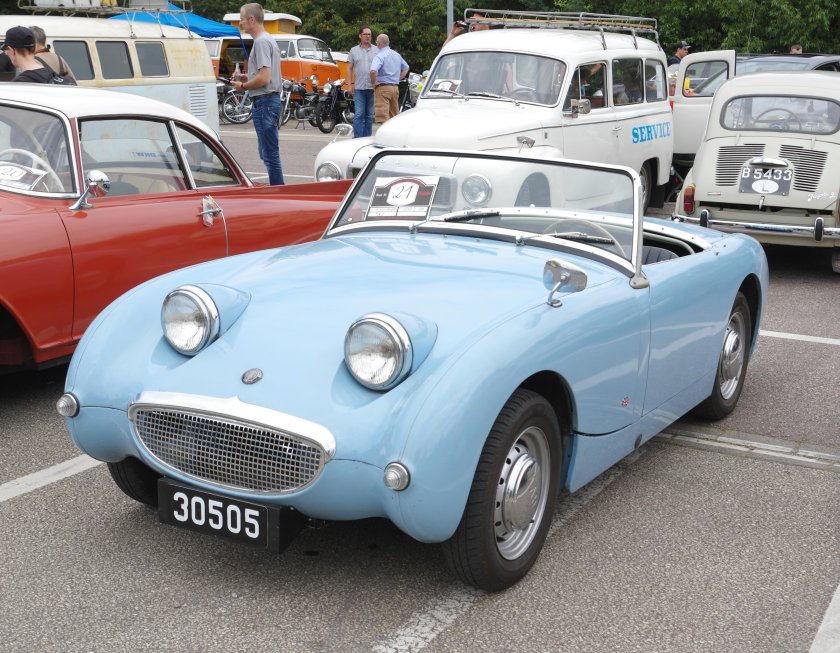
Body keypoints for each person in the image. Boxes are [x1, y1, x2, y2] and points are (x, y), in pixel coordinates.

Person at [231, 3, 284, 185]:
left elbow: (264, 78)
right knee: (267, 152)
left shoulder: (261, 42)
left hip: (265, 102)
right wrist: (247, 76)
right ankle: (279, 192)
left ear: (251, 20)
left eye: (242, 19)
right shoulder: (268, 39)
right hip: (270, 100)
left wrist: (243, 85)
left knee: (269, 155)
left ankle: (279, 194)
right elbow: (265, 74)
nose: (240, 22)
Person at [370, 34, 409, 125]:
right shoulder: (396, 55)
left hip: (382, 88)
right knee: (394, 115)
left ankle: (385, 137)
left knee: (383, 117)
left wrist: (373, 83)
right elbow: (406, 67)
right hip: (395, 88)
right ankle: (396, 136)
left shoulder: (380, 56)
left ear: (378, 44)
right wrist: (398, 79)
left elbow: (373, 71)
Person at [347, 25, 376, 137]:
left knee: (369, 116)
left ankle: (367, 138)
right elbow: (349, 68)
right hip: (359, 88)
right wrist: (349, 85)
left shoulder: (376, 50)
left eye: (369, 34)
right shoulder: (353, 50)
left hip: (373, 88)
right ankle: (357, 139)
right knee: (359, 114)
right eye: (365, 34)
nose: (368, 36)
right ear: (360, 36)